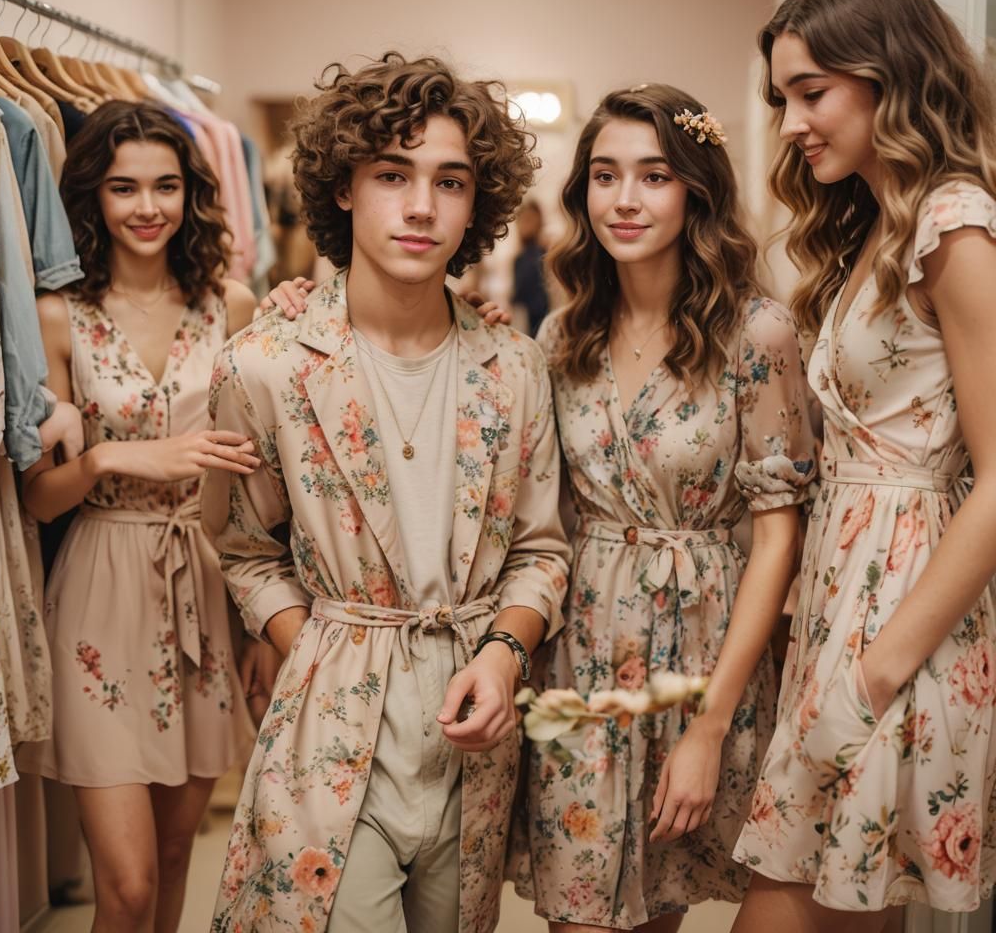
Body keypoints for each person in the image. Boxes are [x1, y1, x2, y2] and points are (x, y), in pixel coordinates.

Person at [265, 81, 816, 932]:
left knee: (661, 909)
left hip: (703, 662)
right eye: (604, 175)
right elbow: (525, 507)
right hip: (575, 662)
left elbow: (779, 537)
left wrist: (710, 727)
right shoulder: (560, 338)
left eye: (655, 175)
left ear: (698, 190)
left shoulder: (758, 335)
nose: (625, 199)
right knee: (582, 915)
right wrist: (310, 301)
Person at [204, 52, 570, 933]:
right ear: (342, 189)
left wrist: (502, 653)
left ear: (477, 204)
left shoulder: (514, 368)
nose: (420, 207)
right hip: (330, 722)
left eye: (450, 182)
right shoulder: (265, 366)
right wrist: (319, 651)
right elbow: (245, 550)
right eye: (392, 175)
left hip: (472, 733)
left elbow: (541, 550)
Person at [731, 0, 996, 932]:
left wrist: (876, 671)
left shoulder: (954, 225)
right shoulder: (874, 228)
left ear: (890, 74)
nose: (792, 123)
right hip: (842, 607)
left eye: (813, 92)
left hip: (899, 621)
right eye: (782, 98)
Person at [17, 100, 261, 933]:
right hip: (99, 590)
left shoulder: (229, 305)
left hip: (201, 583)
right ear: (94, 196)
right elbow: (38, 498)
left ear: (192, 195)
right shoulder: (60, 317)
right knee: (122, 884)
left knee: (169, 860)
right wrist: (109, 458)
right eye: (125, 188)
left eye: (166, 186)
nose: (148, 207)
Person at [512, 198, 550, 336]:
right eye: (521, 220)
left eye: (529, 219)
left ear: (539, 221)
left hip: (543, 325)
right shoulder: (518, 259)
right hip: (525, 326)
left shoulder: (544, 255)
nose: (525, 224)